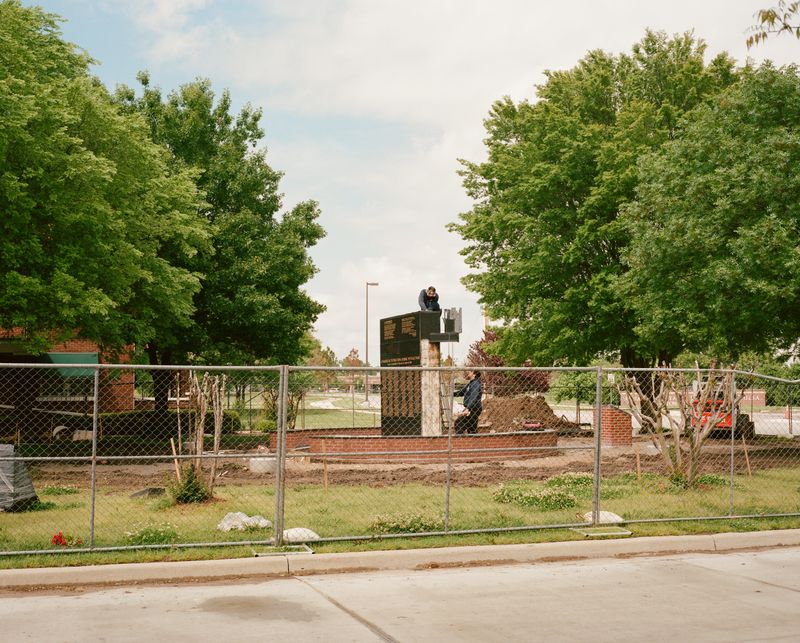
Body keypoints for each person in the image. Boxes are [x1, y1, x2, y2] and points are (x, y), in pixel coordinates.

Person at [454, 370, 482, 435]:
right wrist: (451, 393)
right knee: (472, 428)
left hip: (474, 408)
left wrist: (468, 408)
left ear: (474, 374)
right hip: (472, 408)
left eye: (470, 371)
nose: (468, 372)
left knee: (459, 423)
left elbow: (473, 397)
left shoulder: (475, 384)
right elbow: (461, 392)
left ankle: (459, 440)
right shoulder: (471, 383)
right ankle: (473, 439)